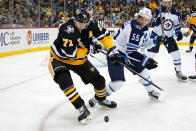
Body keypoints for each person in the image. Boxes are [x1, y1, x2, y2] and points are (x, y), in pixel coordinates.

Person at [48, 8, 121, 124]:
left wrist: (112, 49)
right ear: (74, 19)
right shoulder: (66, 29)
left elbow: (104, 35)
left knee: (100, 81)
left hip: (79, 60)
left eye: (85, 23)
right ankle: (81, 107)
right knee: (65, 81)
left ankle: (101, 99)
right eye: (79, 23)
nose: (82, 25)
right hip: (59, 59)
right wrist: (89, 49)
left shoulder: (91, 24)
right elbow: (70, 53)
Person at [89, 7, 166, 107]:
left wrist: (156, 40)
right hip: (116, 53)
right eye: (142, 18)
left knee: (144, 73)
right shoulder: (135, 28)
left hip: (127, 54)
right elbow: (131, 52)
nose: (143, 22)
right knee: (117, 83)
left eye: (146, 20)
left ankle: (151, 92)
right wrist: (145, 59)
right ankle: (98, 98)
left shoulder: (142, 28)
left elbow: (143, 44)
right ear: (138, 16)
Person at [146, 0, 187, 81]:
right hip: (156, 35)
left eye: (168, 2)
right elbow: (153, 23)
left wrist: (178, 32)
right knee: (150, 54)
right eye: (165, 2)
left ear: (171, 3)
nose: (167, 4)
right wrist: (157, 21)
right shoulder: (158, 11)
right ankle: (143, 72)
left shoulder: (175, 13)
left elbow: (177, 25)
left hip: (168, 36)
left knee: (176, 53)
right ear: (162, 3)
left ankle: (178, 71)